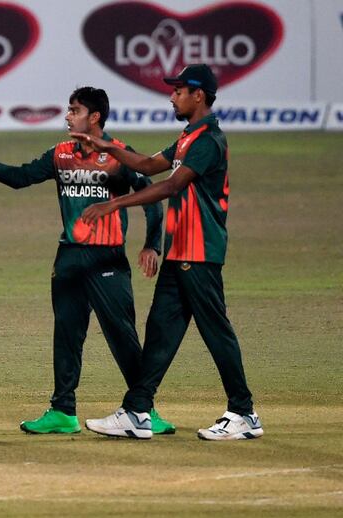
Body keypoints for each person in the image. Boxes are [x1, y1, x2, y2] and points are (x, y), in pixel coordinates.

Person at [0, 86, 176, 436]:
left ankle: (144, 408)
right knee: (66, 334)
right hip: (68, 258)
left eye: (74, 110)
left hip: (107, 258)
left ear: (94, 117)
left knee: (122, 336)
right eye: (68, 109)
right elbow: (21, 178)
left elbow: (152, 200)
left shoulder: (120, 155)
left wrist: (152, 245)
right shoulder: (60, 154)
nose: (67, 116)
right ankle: (63, 410)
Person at [79, 64, 263, 441]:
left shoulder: (209, 140)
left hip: (201, 252)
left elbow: (170, 185)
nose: (172, 95)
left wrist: (115, 205)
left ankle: (244, 412)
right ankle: (137, 410)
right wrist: (109, 147)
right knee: (161, 331)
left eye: (179, 90)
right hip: (181, 253)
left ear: (199, 95)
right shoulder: (187, 137)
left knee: (216, 332)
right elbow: (148, 165)